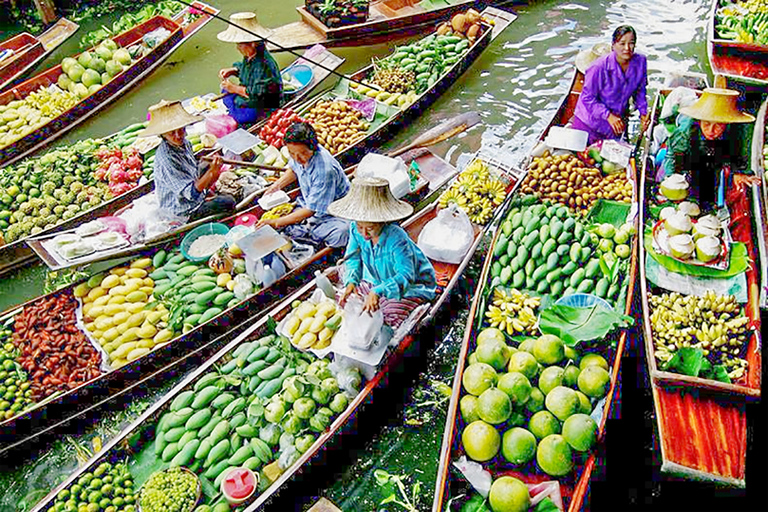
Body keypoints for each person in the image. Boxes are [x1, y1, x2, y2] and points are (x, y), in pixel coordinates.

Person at [330, 177, 437, 329]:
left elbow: (406, 275)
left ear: (382, 221)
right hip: (377, 279)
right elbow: (353, 259)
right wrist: (351, 282)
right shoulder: (355, 229)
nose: (364, 233)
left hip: (411, 286)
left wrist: (378, 291)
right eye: (360, 227)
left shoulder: (396, 238)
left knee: (388, 316)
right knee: (347, 296)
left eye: (370, 228)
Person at [258, 122, 351, 248]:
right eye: (291, 153)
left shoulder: (324, 170)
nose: (297, 158)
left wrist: (276, 223)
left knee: (341, 233)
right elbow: (294, 169)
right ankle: (305, 229)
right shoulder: (299, 156)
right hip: (308, 203)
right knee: (288, 216)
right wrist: (276, 185)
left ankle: (315, 241)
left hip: (333, 213)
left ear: (313, 147)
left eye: (302, 153)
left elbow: (311, 210)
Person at [139, 100, 235, 221]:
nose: (178, 135)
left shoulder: (185, 143)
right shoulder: (167, 159)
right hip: (182, 209)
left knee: (206, 165)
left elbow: (193, 168)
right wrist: (212, 173)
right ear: (163, 135)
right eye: (171, 133)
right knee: (229, 202)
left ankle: (207, 193)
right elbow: (191, 194)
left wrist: (210, 168)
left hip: (189, 190)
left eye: (181, 130)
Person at [661, 87, 756, 207]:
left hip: (714, 153)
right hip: (691, 152)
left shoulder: (738, 130)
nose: (711, 131)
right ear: (699, 121)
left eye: (718, 125)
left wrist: (739, 172)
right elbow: (672, 156)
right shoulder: (685, 132)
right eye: (706, 124)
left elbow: (740, 154)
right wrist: (671, 180)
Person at [571, 25, 649, 144]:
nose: (627, 48)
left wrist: (643, 112)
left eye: (631, 43)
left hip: (616, 123)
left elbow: (640, 90)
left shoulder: (640, 62)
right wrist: (608, 116)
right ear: (613, 45)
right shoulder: (598, 67)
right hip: (589, 124)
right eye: (622, 44)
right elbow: (587, 98)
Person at [217, 12, 283, 126]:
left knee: (242, 114)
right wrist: (233, 70)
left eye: (240, 44)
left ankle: (237, 115)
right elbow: (245, 68)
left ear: (252, 43)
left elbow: (257, 94)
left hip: (268, 101)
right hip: (252, 94)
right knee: (225, 92)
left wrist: (234, 88)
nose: (238, 48)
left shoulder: (262, 64)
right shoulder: (250, 56)